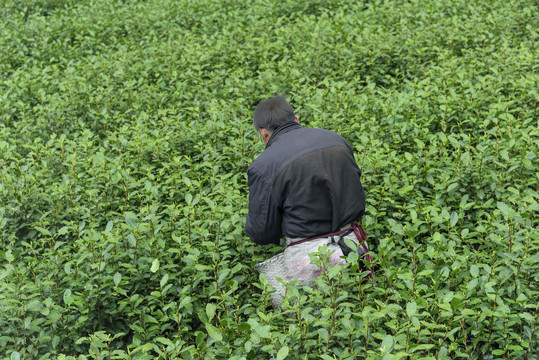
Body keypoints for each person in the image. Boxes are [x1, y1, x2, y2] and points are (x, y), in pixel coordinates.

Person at [245, 96, 373, 308]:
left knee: (307, 325)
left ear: (263, 133)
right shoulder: (336, 140)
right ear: (296, 118)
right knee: (363, 312)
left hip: (307, 259)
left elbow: (261, 233)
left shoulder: (264, 165)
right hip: (354, 246)